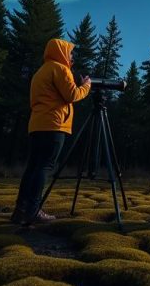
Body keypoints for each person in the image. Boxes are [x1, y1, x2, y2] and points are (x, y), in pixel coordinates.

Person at [11, 38, 91, 226]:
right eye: (70, 53)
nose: (71, 57)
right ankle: (34, 210)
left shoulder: (41, 71)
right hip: (54, 125)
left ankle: (20, 210)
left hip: (37, 125)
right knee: (44, 167)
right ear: (62, 52)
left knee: (33, 167)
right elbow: (72, 95)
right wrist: (86, 85)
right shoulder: (60, 69)